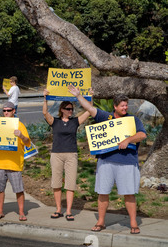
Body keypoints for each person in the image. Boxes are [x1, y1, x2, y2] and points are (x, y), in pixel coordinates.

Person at [68, 85, 147, 234]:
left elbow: (142, 135)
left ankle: (133, 223)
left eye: (126, 105)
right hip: (106, 162)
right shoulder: (106, 117)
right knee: (103, 192)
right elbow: (90, 110)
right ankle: (101, 222)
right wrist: (78, 96)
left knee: (129, 193)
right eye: (122, 106)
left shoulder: (132, 119)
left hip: (127, 162)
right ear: (115, 106)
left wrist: (128, 140)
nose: (125, 108)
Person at [42, 90, 91, 221]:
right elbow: (45, 113)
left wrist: (90, 97)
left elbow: (89, 111)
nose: (71, 111)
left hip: (71, 155)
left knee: (70, 184)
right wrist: (45, 99)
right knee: (56, 183)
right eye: (68, 109)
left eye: (72, 109)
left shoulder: (75, 121)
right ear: (62, 110)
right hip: (56, 154)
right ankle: (58, 209)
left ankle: (69, 211)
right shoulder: (55, 121)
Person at [0, 101, 31, 221]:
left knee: (18, 189)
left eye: (8, 110)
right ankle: (0, 211)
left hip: (14, 163)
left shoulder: (19, 125)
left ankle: (21, 212)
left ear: (14, 111)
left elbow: (27, 142)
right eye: (4, 110)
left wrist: (21, 136)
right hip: (0, 162)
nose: (6, 113)